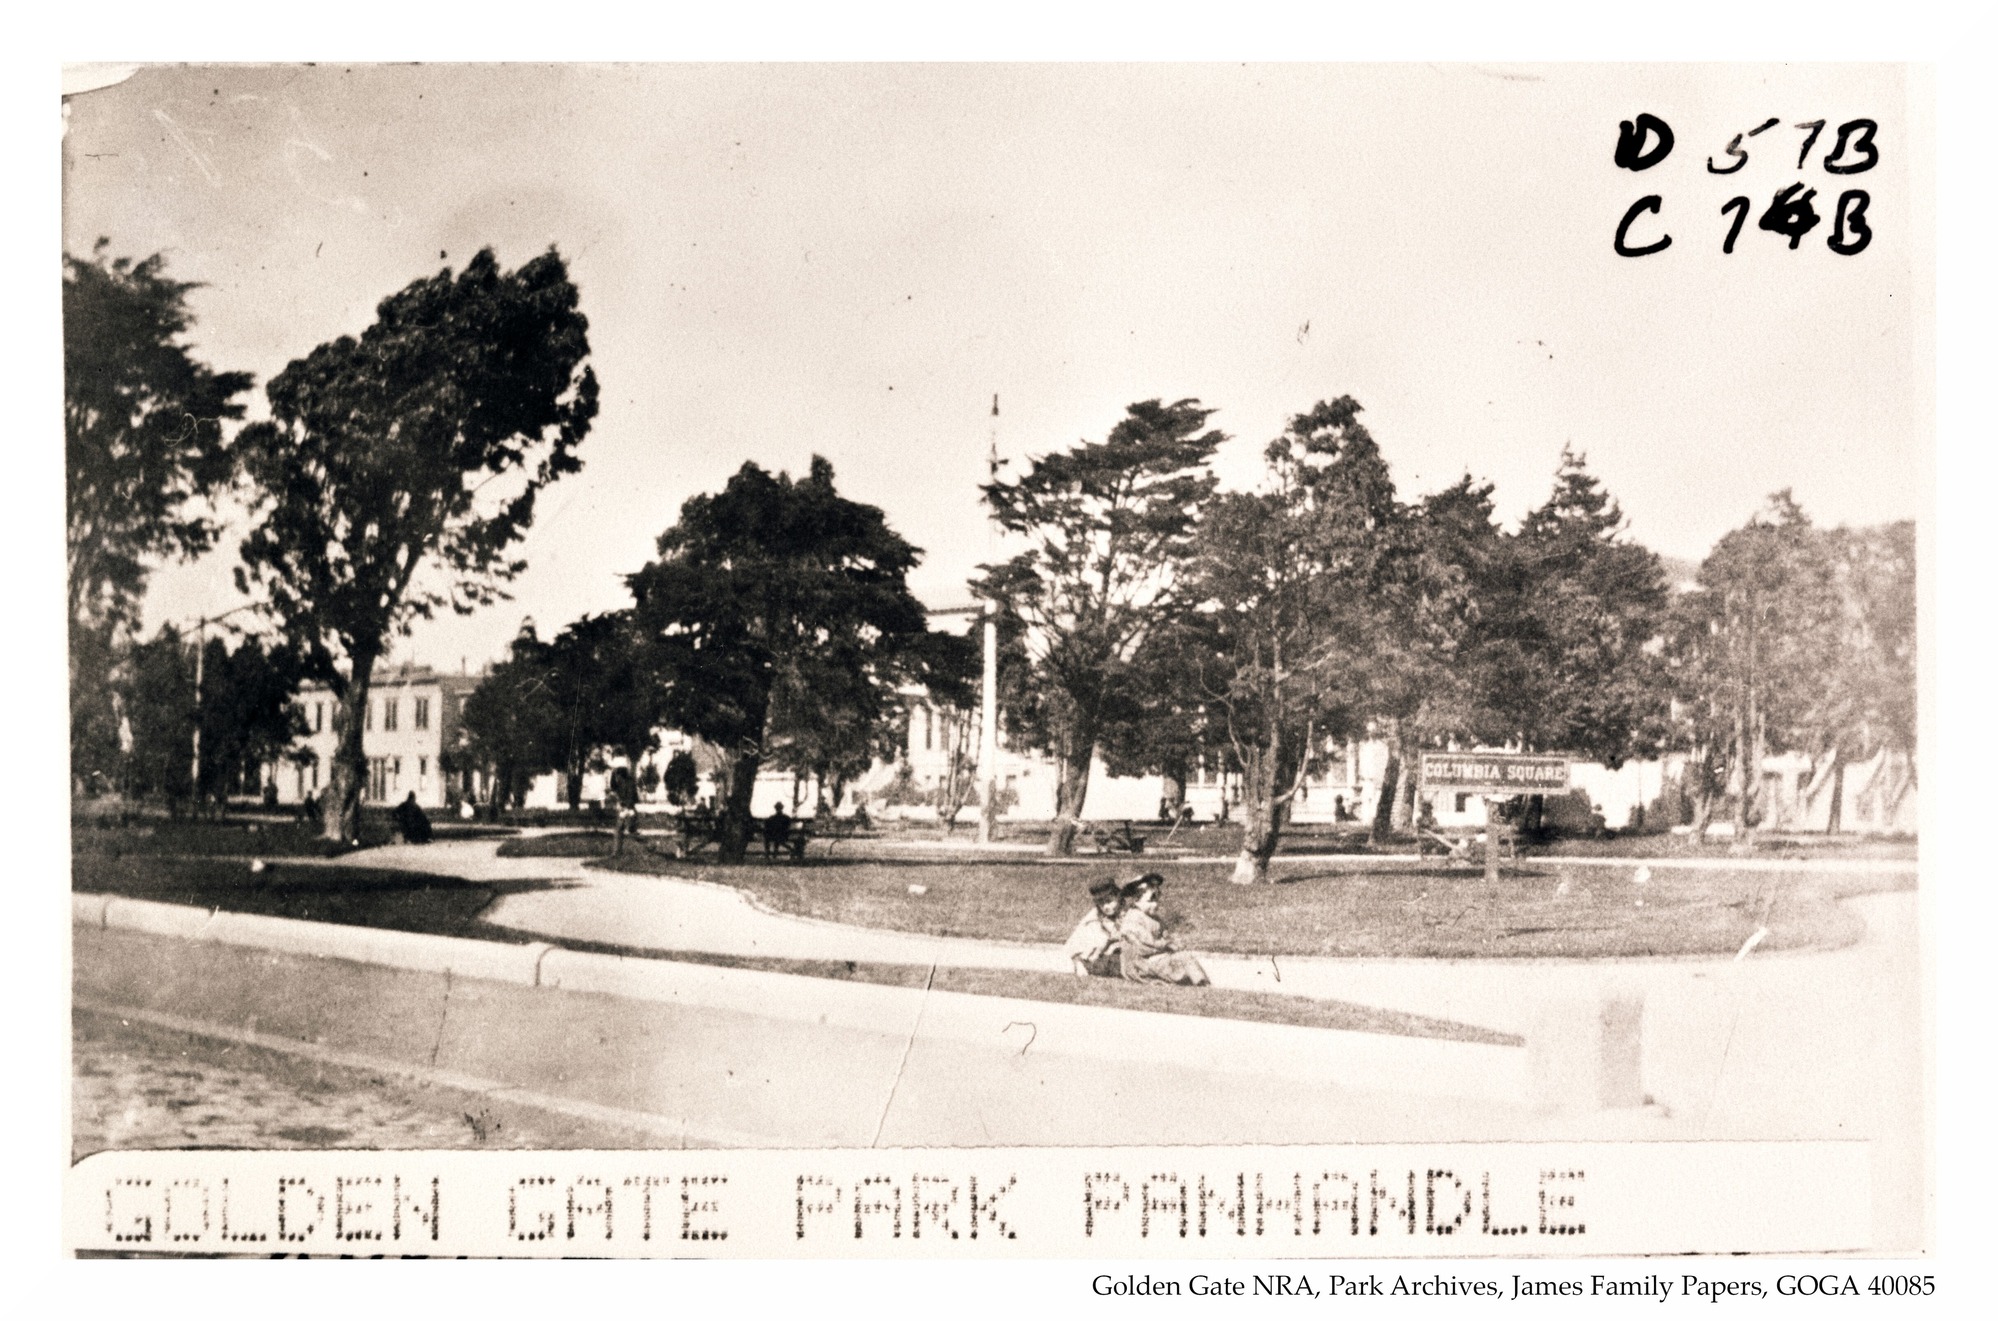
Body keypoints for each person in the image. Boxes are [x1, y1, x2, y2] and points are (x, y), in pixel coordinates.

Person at [1116, 873, 1210, 986]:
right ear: (1136, 900)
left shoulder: (1155, 918)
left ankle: (1201, 982)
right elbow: (1143, 945)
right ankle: (1199, 984)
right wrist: (1166, 945)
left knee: (1184, 956)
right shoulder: (1133, 918)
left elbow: (1166, 935)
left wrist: (1173, 941)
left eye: (1157, 899)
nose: (1155, 904)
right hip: (1140, 963)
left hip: (1155, 958)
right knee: (1182, 959)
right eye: (1150, 901)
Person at [1062, 878, 1126, 977]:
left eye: (1109, 901)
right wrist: (1078, 962)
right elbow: (1074, 941)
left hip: (1123, 948)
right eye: (1101, 903)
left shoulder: (1127, 910)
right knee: (1094, 930)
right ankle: (1086, 964)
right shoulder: (1095, 915)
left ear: (1118, 896)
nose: (1105, 907)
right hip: (1102, 953)